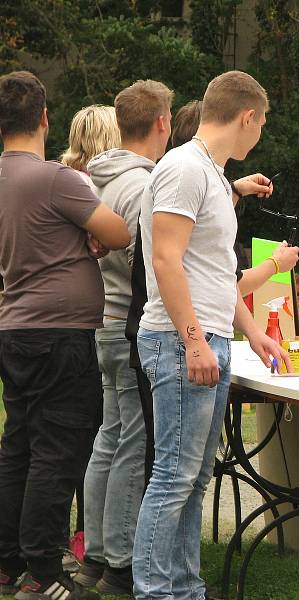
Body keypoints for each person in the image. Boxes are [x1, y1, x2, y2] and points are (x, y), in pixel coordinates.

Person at [132, 71, 293, 600]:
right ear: (247, 116)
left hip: (209, 339)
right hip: (180, 342)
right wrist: (196, 341)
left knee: (195, 479)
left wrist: (253, 333)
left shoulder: (214, 175)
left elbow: (218, 275)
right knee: (174, 477)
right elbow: (166, 260)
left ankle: (185, 588)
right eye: (262, 123)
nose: (261, 134)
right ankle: (155, 591)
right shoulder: (183, 168)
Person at [0, 71, 130, 600]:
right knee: (57, 454)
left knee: (19, 448)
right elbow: (119, 232)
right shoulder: (55, 178)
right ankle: (45, 574)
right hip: (61, 334)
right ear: (45, 117)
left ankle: (8, 562)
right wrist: (84, 235)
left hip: (14, 327)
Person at [72, 80, 175, 595]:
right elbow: (150, 265)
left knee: (109, 437)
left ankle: (94, 553)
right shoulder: (145, 185)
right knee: (132, 442)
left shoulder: (103, 178)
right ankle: (120, 560)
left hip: (103, 320)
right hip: (130, 325)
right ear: (163, 123)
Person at [59, 102, 122, 571]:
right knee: (97, 436)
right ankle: (88, 539)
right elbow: (112, 240)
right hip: (96, 319)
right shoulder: (92, 188)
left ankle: (76, 537)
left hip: (67, 321)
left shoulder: (61, 179)